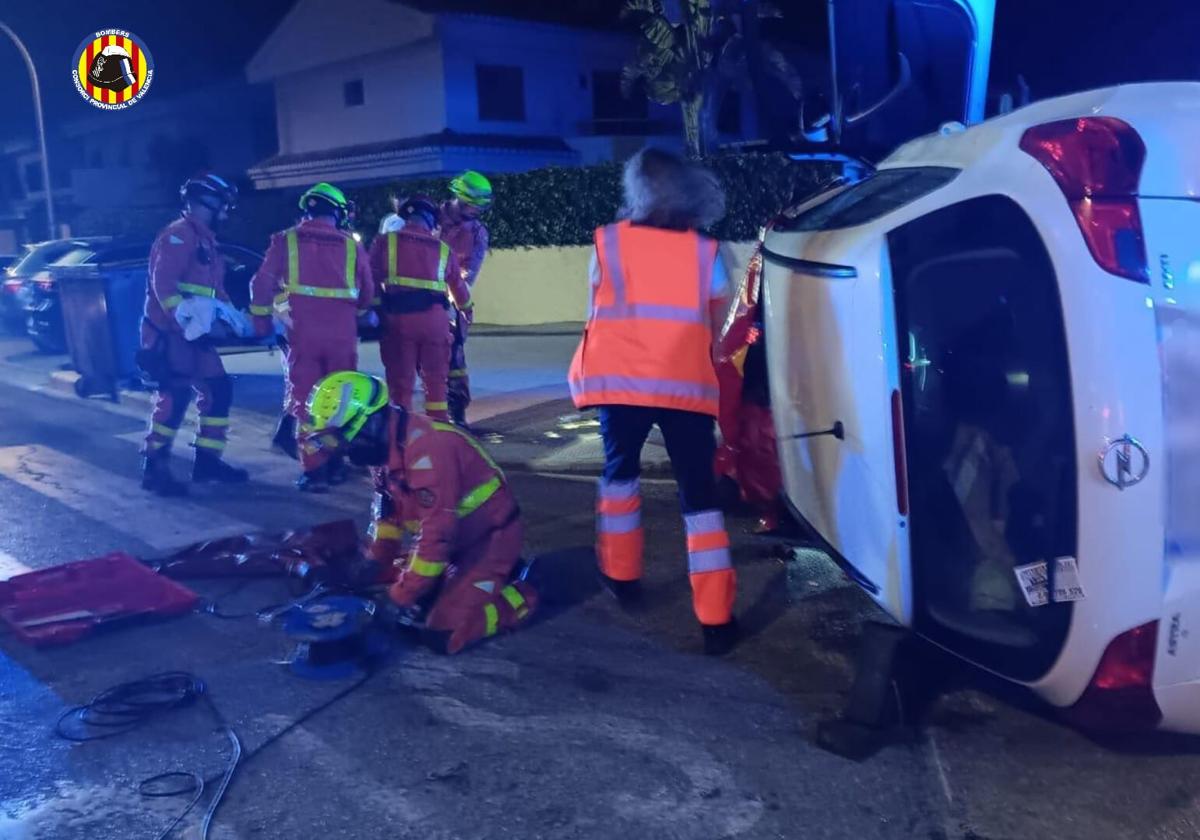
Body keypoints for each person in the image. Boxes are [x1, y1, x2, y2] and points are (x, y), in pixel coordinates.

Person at [567, 147, 738, 655]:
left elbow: (594, 309)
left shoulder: (607, 243)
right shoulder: (706, 252)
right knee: (700, 498)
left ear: (633, 189)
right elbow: (719, 324)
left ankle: (621, 576)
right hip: (684, 388)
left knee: (620, 479)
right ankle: (716, 618)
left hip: (620, 388)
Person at [303, 371, 538, 654]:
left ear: (370, 424)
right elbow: (387, 515)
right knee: (395, 592)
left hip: (489, 541)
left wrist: (400, 597)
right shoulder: (385, 447)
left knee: (442, 633)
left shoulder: (429, 450)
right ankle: (462, 583)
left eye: (346, 442)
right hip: (452, 543)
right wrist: (375, 562)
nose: (347, 454)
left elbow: (436, 536)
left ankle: (522, 595)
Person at [249, 182, 375, 492]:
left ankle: (315, 470)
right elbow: (367, 292)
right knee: (340, 400)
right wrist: (357, 315)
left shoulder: (285, 241)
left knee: (307, 402)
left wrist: (262, 325)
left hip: (302, 333)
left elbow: (261, 285)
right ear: (338, 212)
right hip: (342, 336)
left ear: (308, 208)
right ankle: (335, 465)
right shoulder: (351, 245)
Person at [140, 172, 248, 496]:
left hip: (196, 337)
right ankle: (154, 466)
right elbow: (164, 286)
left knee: (218, 390)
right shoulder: (177, 236)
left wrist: (234, 319)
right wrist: (187, 321)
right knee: (174, 398)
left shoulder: (206, 241)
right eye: (222, 206)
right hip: (171, 334)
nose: (225, 213)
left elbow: (214, 291)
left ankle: (207, 462)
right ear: (205, 203)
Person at [369, 196, 472, 421]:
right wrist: (466, 310)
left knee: (401, 385)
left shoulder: (385, 242)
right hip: (435, 323)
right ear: (431, 221)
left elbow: (370, 281)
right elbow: (459, 288)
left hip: (398, 321)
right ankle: (440, 434)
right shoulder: (443, 249)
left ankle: (401, 440)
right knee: (436, 383)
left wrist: (376, 310)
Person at [440, 170, 493, 427]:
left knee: (455, 359)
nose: (476, 210)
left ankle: (457, 413)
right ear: (459, 197)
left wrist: (457, 303)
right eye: (473, 204)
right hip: (422, 299)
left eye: (480, 206)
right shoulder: (431, 219)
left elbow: (469, 274)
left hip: (452, 301)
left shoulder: (477, 232)